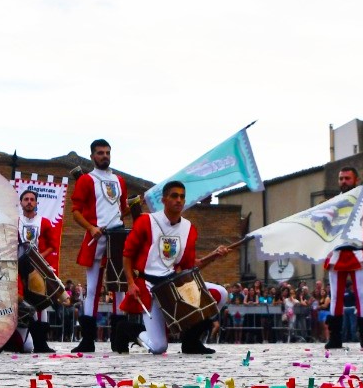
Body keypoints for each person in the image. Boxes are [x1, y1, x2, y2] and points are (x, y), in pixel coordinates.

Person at [119, 180, 230, 355]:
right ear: (163, 199)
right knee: (158, 347)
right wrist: (131, 283)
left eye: (182, 197)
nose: (179, 200)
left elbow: (190, 266)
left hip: (172, 285)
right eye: (174, 196)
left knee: (221, 293)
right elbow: (127, 255)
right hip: (148, 286)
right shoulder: (146, 221)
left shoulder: (188, 229)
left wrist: (215, 255)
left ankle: (191, 341)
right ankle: (127, 329)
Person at [68, 139, 134, 353]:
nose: (104, 156)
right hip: (96, 237)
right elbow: (76, 210)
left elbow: (122, 209)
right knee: (93, 288)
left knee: (119, 287)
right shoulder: (87, 180)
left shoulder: (120, 180)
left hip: (116, 237)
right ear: (92, 156)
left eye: (107, 152)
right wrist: (91, 227)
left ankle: (119, 339)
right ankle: (88, 340)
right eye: (100, 153)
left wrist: (132, 208)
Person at [323, 166, 363, 350]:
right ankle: (335, 338)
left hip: (358, 253)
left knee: (362, 296)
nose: (343, 182)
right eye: (341, 178)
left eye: (347, 178)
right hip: (337, 253)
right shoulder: (332, 204)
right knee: (335, 297)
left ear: (356, 180)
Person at [16, 187, 58, 353]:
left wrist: (38, 258)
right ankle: (24, 338)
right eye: (26, 199)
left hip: (38, 267)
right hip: (18, 266)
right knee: (23, 301)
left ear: (36, 203)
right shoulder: (15, 221)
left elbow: (52, 245)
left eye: (32, 199)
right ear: (21, 203)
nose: (29, 202)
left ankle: (41, 342)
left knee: (40, 302)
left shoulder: (44, 222)